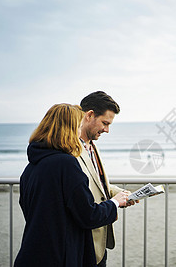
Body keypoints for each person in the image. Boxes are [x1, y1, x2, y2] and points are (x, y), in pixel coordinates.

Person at [14, 103, 129, 267]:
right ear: (69, 129)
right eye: (79, 127)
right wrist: (115, 202)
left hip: (32, 252)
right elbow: (88, 215)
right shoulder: (66, 163)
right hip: (59, 256)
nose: (79, 133)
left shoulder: (31, 167)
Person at [78, 91, 136, 267]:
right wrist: (114, 203)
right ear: (89, 115)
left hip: (100, 242)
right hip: (83, 239)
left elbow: (96, 183)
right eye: (104, 123)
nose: (107, 130)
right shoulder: (70, 151)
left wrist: (120, 194)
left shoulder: (93, 147)